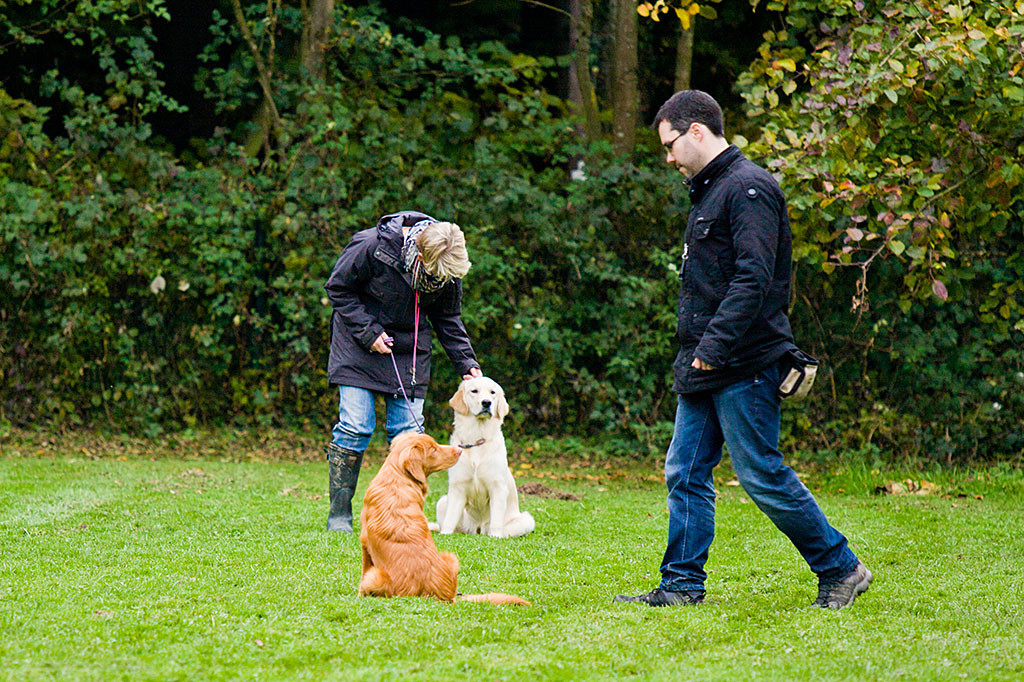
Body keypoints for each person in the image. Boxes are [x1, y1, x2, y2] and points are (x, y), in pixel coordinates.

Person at [614, 91, 872, 609]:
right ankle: (682, 586)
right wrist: (699, 356)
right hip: (704, 363)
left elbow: (753, 280)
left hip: (743, 360)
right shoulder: (710, 191)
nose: (667, 158)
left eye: (670, 145)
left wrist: (711, 348)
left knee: (760, 473)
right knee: (684, 471)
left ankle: (841, 567)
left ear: (696, 132)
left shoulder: (748, 189)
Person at [322, 211, 482, 532]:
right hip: (358, 343)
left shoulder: (446, 268)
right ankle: (340, 515)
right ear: (421, 256)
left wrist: (468, 364)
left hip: (409, 352)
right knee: (356, 425)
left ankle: (405, 517)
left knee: (409, 436)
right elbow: (338, 288)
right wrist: (368, 332)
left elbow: (448, 319)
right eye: (436, 274)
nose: (441, 281)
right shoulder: (371, 246)